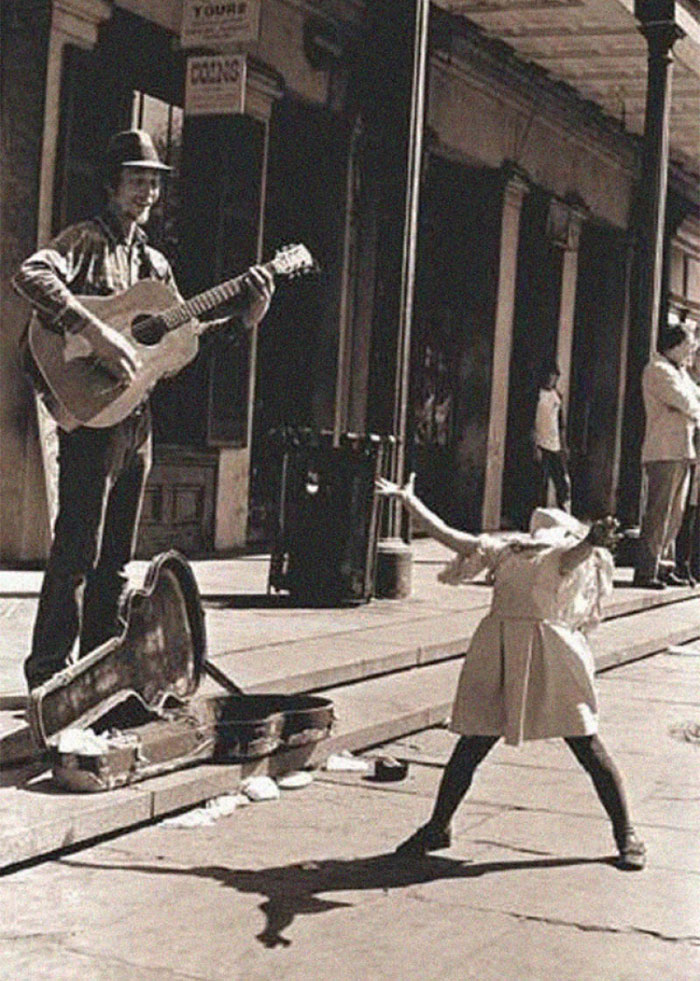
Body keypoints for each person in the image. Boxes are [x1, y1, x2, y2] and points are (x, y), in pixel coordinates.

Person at [12, 129, 275, 690]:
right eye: (136, 180)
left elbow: (183, 338)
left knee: (117, 558)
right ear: (111, 185)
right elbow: (30, 275)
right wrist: (95, 333)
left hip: (137, 421)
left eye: (153, 182)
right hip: (94, 419)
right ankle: (48, 675)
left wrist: (244, 319)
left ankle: (100, 670)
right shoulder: (83, 240)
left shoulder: (155, 265)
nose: (146, 192)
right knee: (77, 548)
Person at [375, 474, 646, 871]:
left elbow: (582, 551)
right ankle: (438, 827)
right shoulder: (505, 551)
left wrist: (593, 538)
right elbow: (448, 536)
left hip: (550, 655)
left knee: (586, 743)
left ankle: (627, 834)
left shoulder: (562, 556)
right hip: (500, 651)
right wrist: (409, 502)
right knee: (471, 745)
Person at [633, 321, 700, 589]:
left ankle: (664, 564)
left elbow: (694, 398)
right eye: (686, 345)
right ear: (672, 345)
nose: (690, 351)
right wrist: (689, 407)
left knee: (676, 512)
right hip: (663, 449)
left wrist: (690, 407)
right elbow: (685, 401)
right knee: (659, 512)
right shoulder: (658, 370)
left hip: (683, 449)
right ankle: (646, 569)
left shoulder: (679, 371)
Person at [674, 336, 700, 586]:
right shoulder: (686, 382)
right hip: (688, 454)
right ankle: (681, 563)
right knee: (684, 512)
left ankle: (691, 564)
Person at [531, 362, 571, 513]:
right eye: (548, 376)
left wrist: (564, 445)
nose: (550, 379)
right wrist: (535, 445)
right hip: (541, 443)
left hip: (555, 445)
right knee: (540, 484)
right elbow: (531, 421)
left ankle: (564, 514)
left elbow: (561, 423)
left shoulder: (557, 396)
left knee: (561, 482)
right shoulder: (536, 395)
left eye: (554, 377)